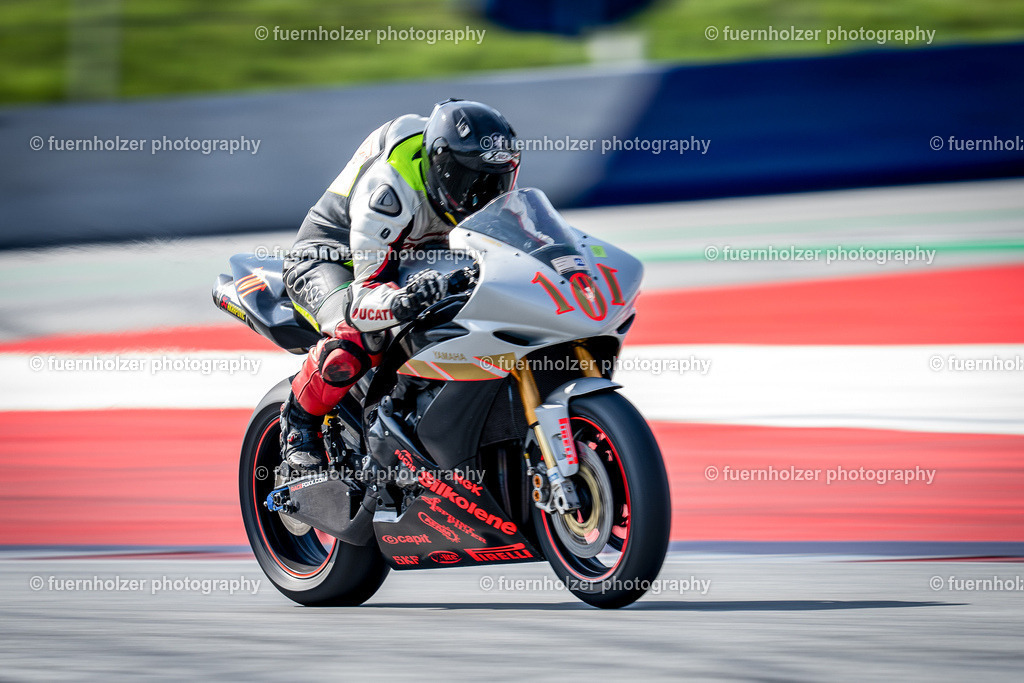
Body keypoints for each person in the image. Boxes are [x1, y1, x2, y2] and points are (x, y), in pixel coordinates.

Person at [278, 99, 521, 471]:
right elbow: (363, 298)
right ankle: (298, 423)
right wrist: (402, 300)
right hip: (334, 260)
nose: (481, 193)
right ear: (439, 164)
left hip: (415, 254)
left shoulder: (482, 187)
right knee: (358, 335)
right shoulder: (389, 190)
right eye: (470, 179)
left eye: (494, 179)